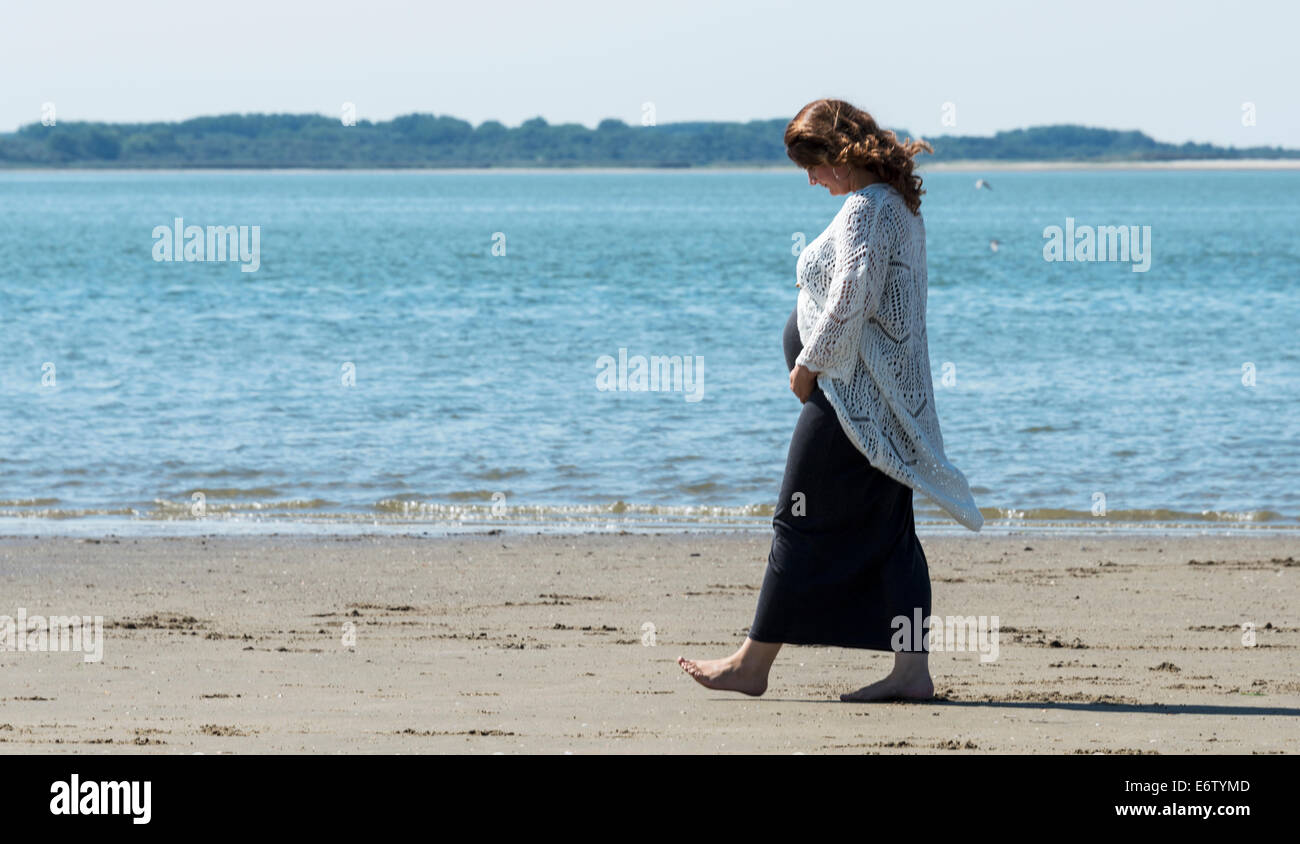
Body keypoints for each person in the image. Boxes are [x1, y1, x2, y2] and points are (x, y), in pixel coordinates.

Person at [677, 99, 984, 702]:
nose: (812, 180)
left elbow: (852, 294)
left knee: (795, 520)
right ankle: (911, 673)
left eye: (813, 166)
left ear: (838, 153)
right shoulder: (896, 203)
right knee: (892, 532)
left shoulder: (866, 210)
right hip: (883, 404)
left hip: (853, 404)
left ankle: (751, 665)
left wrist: (809, 361)